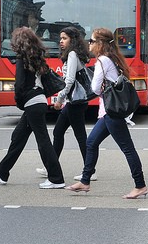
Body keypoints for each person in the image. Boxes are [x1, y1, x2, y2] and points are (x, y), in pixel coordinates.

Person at [66, 27, 148, 199]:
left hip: (112, 112)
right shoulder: (112, 58)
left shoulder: (102, 61)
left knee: (127, 149)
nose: (89, 43)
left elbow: (95, 89)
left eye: (93, 41)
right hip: (107, 112)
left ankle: (140, 185)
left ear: (100, 43)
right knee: (91, 142)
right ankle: (85, 180)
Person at [0, 27, 65, 189]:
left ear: (18, 42)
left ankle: (56, 178)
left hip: (32, 103)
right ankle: (2, 171)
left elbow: (20, 85)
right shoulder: (36, 57)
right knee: (18, 136)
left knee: (43, 141)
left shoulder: (22, 58)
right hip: (39, 100)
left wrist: (19, 101)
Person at [36, 27, 95, 181]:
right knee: (59, 132)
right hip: (74, 102)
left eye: (65, 38)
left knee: (79, 136)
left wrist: (60, 99)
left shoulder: (73, 54)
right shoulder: (73, 54)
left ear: (72, 40)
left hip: (75, 102)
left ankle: (89, 170)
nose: (61, 41)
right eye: (60, 38)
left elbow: (69, 80)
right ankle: (51, 167)